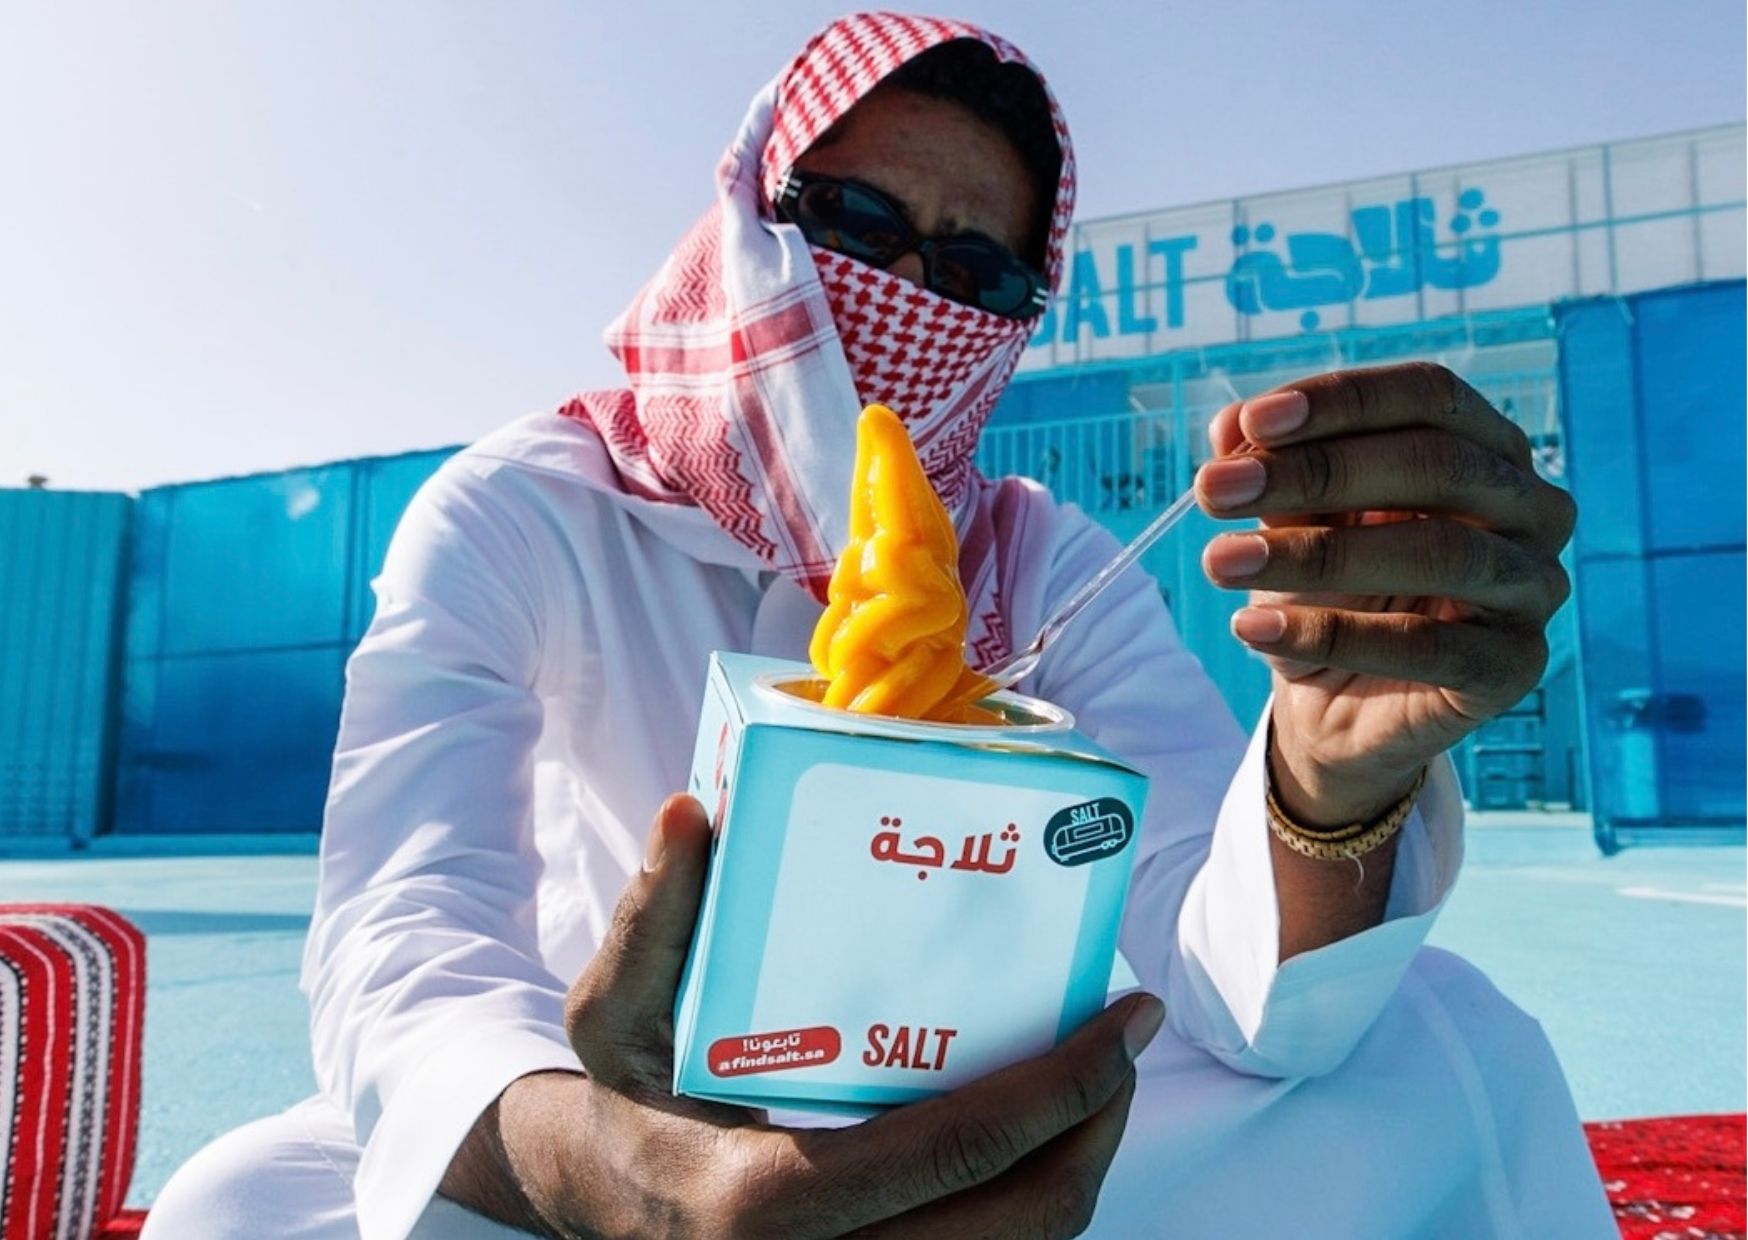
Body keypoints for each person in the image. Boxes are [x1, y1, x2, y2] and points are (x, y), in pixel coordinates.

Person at [145, 13, 1616, 1239]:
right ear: (749, 222)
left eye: (976, 274)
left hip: (980, 1101)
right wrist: (627, 1179)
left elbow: (1206, 940)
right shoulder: (528, 512)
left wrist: (1326, 793)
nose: (911, 293)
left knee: (1448, 1051)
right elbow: (407, 928)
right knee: (242, 1207)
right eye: (856, 224)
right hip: (620, 1104)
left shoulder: (1041, 560)